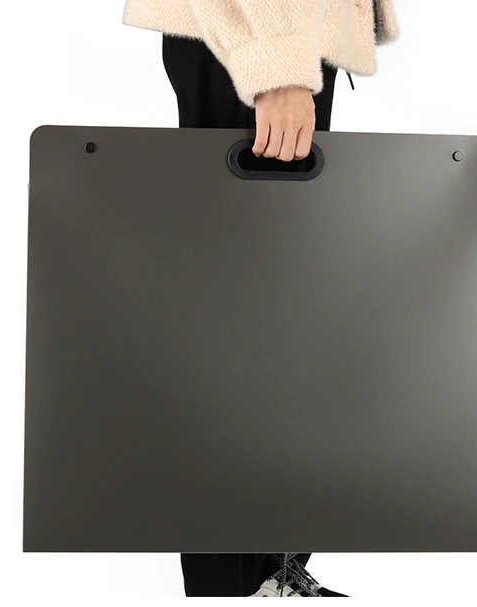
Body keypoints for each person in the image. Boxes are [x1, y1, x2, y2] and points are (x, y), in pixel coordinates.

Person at [121, 0, 400, 597]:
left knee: (279, 313)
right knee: (235, 330)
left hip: (281, 33)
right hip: (256, 31)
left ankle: (270, 568)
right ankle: (235, 583)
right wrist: (274, 65)